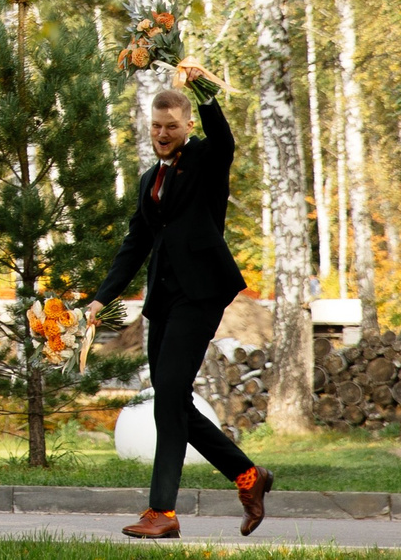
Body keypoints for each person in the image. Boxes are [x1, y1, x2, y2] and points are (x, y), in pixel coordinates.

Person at [78, 62, 273, 540]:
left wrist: (204, 91)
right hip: (162, 300)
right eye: (156, 127)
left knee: (168, 394)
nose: (163, 134)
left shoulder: (205, 161)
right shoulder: (149, 180)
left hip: (200, 294)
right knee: (172, 399)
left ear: (186, 127)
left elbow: (224, 140)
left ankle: (161, 512)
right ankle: (249, 476)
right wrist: (101, 299)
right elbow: (135, 245)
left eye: (172, 127)